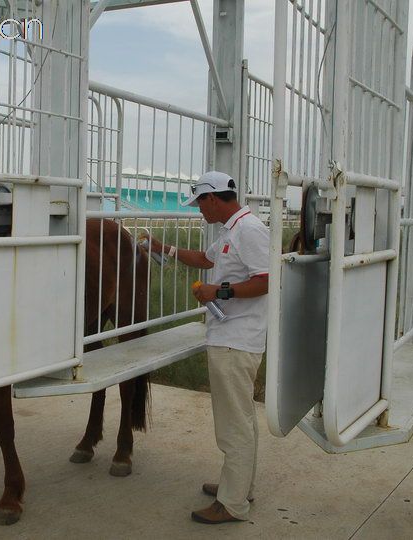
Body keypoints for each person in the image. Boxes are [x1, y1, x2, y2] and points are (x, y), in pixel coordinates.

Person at [145, 171, 269, 525]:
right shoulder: (232, 230)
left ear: (212, 199)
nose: (199, 210)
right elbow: (206, 259)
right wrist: (163, 248)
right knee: (241, 420)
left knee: (233, 426)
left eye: (199, 203)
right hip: (230, 337)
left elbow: (267, 280)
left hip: (236, 340)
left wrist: (219, 292)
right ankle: (238, 487)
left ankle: (232, 504)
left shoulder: (249, 231)